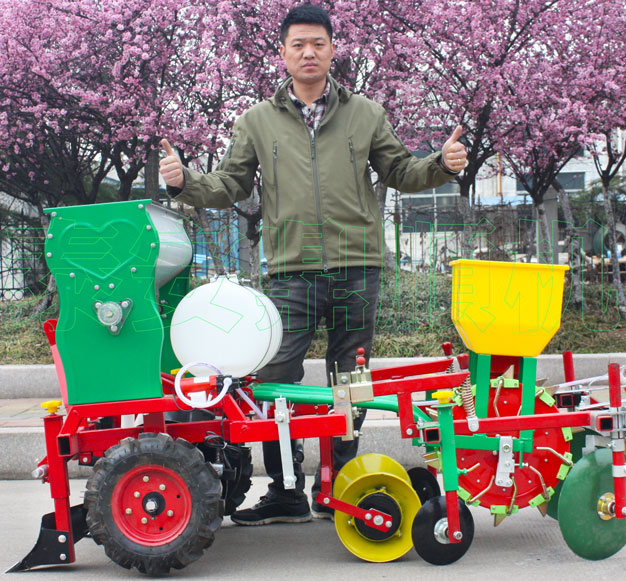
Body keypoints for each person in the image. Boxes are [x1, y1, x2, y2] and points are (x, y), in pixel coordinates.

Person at [159, 3, 467, 526]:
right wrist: (184, 181)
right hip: (290, 271)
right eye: (298, 44)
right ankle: (286, 490)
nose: (308, 53)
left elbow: (400, 170)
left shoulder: (365, 114)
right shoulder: (256, 121)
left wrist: (440, 164)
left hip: (356, 268)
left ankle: (340, 484)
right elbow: (230, 184)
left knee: (350, 381)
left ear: (332, 50)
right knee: (276, 377)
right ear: (283, 52)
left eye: (318, 44)